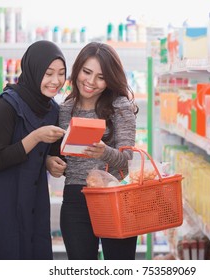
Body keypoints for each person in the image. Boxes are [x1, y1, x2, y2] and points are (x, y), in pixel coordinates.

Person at [0, 40, 67, 260]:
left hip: (32, 201)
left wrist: (50, 161)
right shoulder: (6, 106)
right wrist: (36, 137)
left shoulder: (53, 109)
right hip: (0, 201)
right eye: (48, 73)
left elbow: (45, 154)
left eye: (61, 73)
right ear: (33, 70)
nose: (55, 81)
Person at [46, 42, 139, 260]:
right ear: (77, 69)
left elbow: (127, 162)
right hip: (75, 200)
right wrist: (51, 163)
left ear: (110, 79)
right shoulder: (65, 109)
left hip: (114, 199)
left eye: (101, 77)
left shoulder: (120, 106)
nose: (90, 82)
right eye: (86, 72)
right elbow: (63, 158)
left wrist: (104, 152)